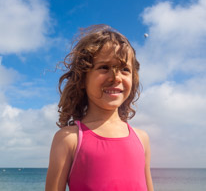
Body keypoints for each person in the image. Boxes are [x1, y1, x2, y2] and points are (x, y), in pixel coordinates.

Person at [45, 24, 154, 191]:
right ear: (82, 79)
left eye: (125, 69)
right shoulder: (69, 139)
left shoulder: (142, 139)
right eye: (104, 67)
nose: (116, 77)